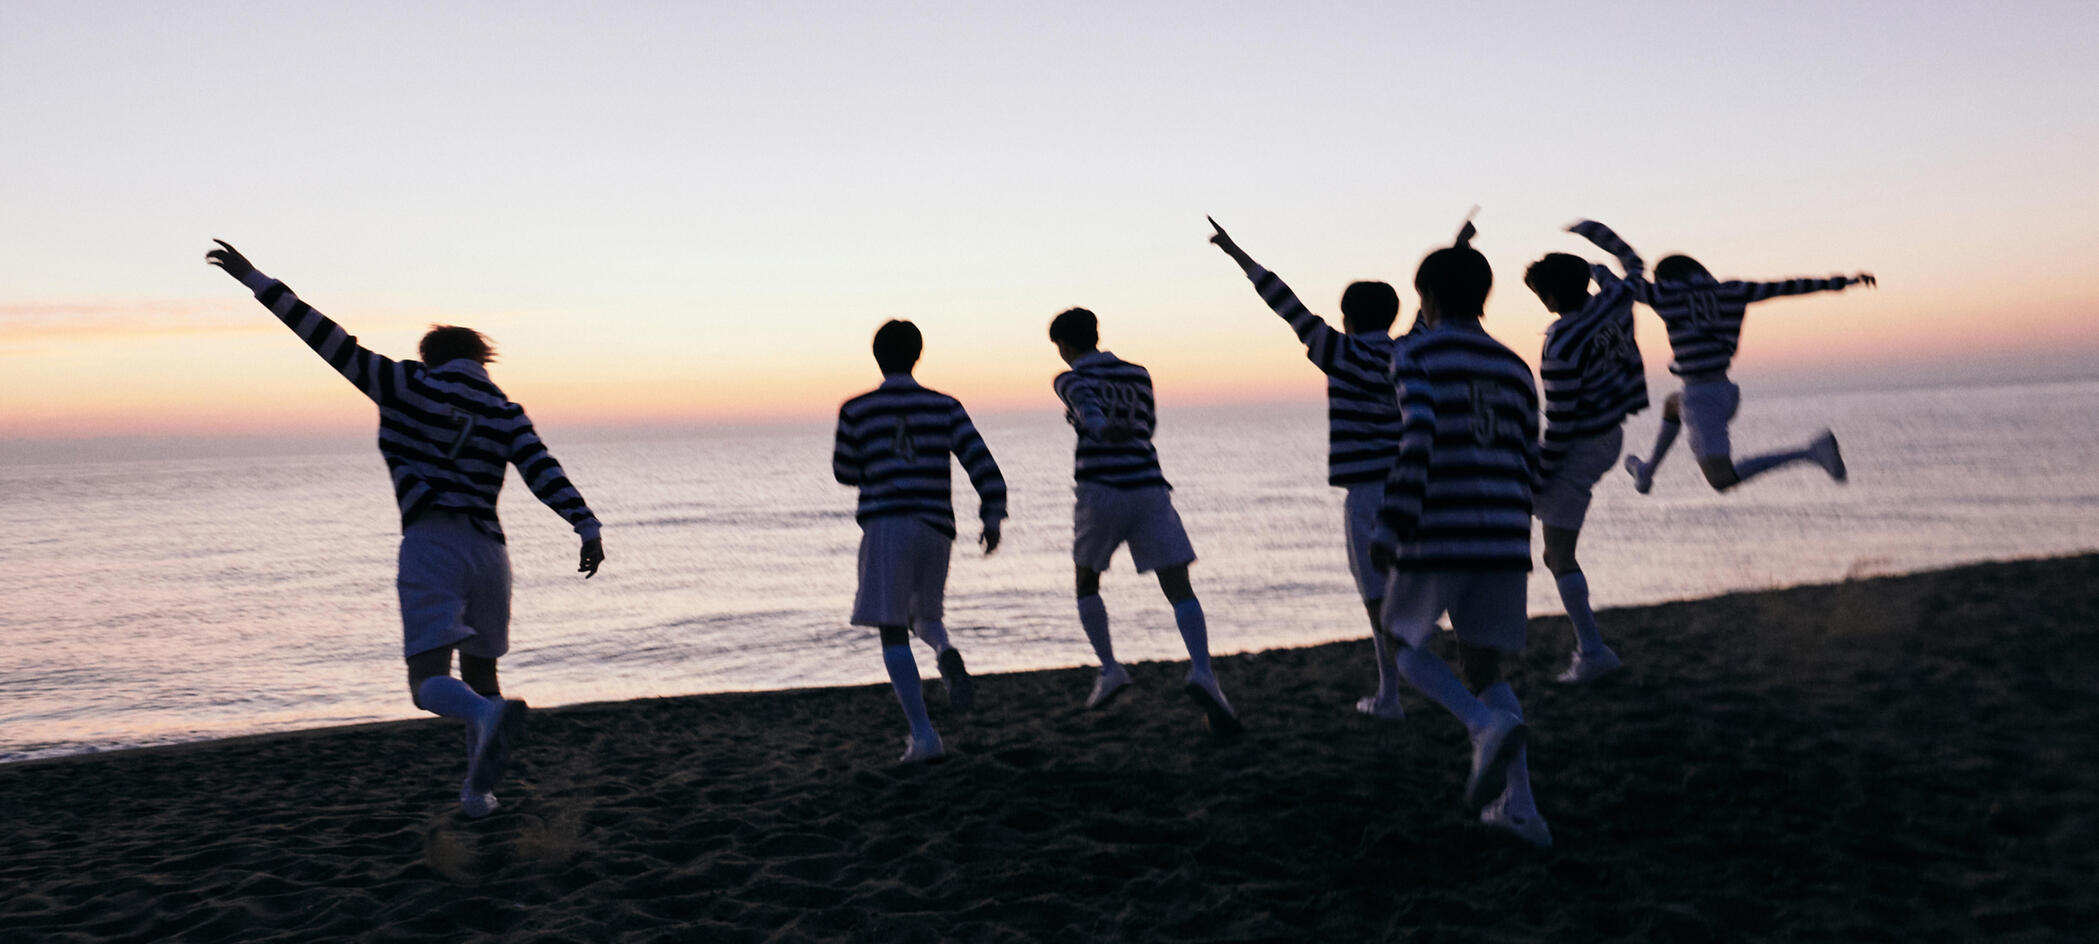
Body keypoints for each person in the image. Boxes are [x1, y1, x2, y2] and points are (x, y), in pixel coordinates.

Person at [205, 240, 605, 819]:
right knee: (482, 675)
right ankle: (478, 794)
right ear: (482, 358)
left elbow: (326, 338)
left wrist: (254, 278)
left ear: (430, 356)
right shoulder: (504, 410)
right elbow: (543, 469)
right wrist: (585, 525)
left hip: (432, 541)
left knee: (428, 683)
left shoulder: (404, 384)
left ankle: (485, 723)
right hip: (490, 553)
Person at [1372, 229, 1552, 847]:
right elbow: (1532, 456)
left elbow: (1419, 435)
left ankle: (1480, 727)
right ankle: (1522, 809)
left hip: (1438, 527)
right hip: (1504, 533)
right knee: (1485, 665)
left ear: (1425, 297)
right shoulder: (1514, 366)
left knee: (1401, 641)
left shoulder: (1414, 355)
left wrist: (1391, 522)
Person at [1207, 216, 1407, 720]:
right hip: (1415, 488)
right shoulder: (1410, 350)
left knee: (1377, 599)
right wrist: (1458, 246)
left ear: (1347, 317)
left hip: (1367, 494)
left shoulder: (1339, 351)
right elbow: (1432, 311)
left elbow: (1285, 303)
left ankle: (1391, 695)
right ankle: (1415, 681)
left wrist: (1237, 254)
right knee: (1415, 589)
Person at [1568, 221, 1876, 494]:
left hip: (1702, 399)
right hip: (1725, 393)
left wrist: (1593, 270)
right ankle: (1646, 471)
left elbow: (1621, 287)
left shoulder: (1666, 295)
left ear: (1665, 279)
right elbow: (1789, 287)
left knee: (1721, 479)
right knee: (1673, 404)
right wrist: (1844, 282)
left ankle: (1811, 452)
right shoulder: (1733, 290)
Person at [1048, 307, 1241, 738]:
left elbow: (1088, 409)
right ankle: (1202, 670)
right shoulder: (1138, 373)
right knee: (1178, 586)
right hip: (1149, 487)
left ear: (1064, 344)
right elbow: (1147, 427)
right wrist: (1108, 425)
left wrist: (1096, 427)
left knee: (1087, 581)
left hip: (1101, 490)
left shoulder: (1068, 378)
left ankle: (1110, 669)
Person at [832, 320, 1006, 763]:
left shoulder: (857, 409)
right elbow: (982, 464)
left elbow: (844, 471)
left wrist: (878, 461)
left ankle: (923, 735)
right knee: (926, 616)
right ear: (918, 354)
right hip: (935, 527)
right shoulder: (944, 406)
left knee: (892, 629)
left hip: (887, 525)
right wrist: (991, 517)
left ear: (877, 357)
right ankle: (945, 652)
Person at [1522, 241, 1650, 684]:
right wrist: (1595, 253)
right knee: (1554, 550)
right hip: (1611, 434)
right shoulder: (1613, 302)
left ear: (1551, 296)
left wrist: (1540, 477)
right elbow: (1634, 268)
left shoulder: (1561, 345)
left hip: (1580, 447)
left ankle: (1593, 651)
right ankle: (1590, 648)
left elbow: (1560, 423)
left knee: (1558, 554)